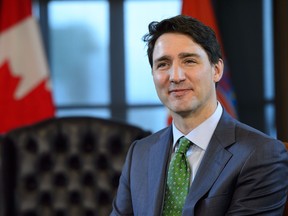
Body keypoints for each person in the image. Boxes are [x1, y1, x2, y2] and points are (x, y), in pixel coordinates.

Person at [110, 15, 288, 216]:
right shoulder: (140, 153)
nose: (176, 76)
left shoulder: (262, 154)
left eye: (189, 61)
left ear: (216, 70)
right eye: (163, 64)